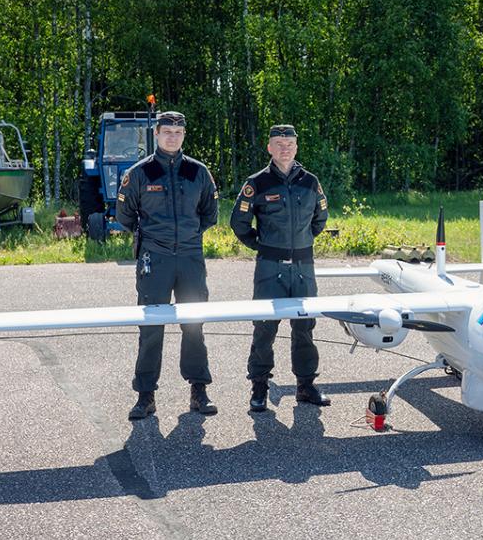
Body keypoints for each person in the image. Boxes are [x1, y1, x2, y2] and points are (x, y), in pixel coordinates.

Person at [116, 111, 220, 420]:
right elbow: (125, 216)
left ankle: (199, 391)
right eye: (167, 131)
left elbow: (209, 214)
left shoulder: (198, 172)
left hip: (189, 258)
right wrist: (154, 238)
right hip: (155, 259)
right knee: (151, 328)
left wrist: (186, 238)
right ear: (157, 134)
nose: (172, 136)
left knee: (194, 325)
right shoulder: (139, 174)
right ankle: (145, 395)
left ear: (183, 135)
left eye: (178, 132)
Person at [230, 125, 330, 412]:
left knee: (304, 327)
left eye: (289, 143)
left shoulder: (310, 182)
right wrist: (263, 247)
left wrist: (302, 243)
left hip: (303, 268)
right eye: (279, 143)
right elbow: (239, 223)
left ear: (296, 147)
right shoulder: (257, 183)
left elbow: (320, 218)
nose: (284, 148)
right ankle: (259, 387)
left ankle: (306, 386)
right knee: (264, 328)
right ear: (269, 147)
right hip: (270, 269)